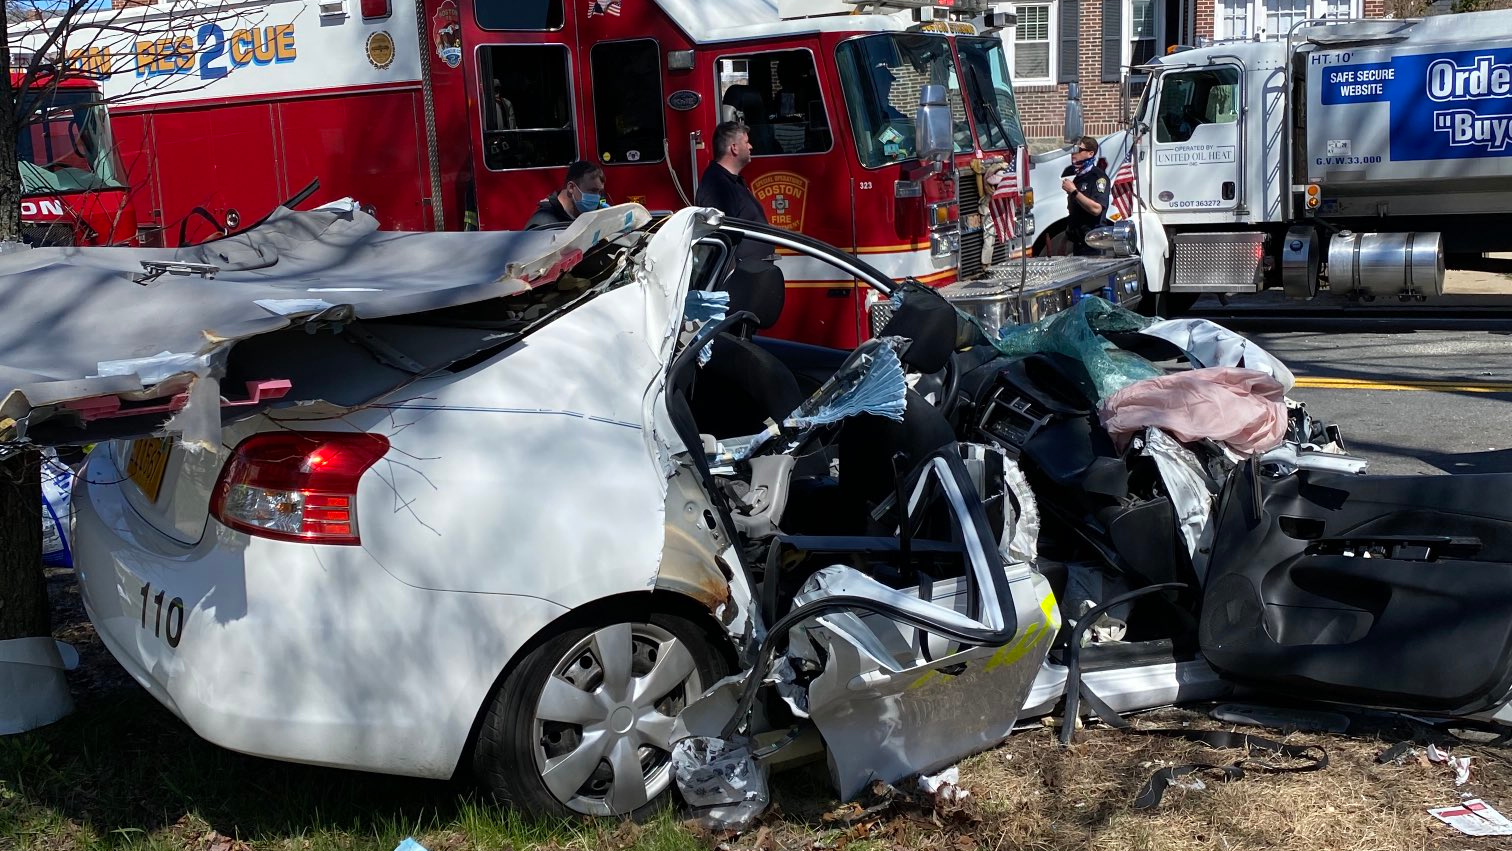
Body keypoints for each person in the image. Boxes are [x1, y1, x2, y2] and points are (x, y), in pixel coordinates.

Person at [696, 121, 766, 224]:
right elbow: (722, 234)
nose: (750, 146)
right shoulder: (717, 187)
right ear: (734, 148)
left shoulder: (732, 181)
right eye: (746, 142)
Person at [1061, 136, 1110, 256]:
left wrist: (1074, 192)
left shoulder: (1098, 178)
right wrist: (1065, 238)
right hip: (1078, 243)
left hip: (1093, 244)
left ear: (1090, 153)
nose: (1073, 154)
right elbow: (1075, 213)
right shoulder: (1079, 178)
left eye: (1078, 149)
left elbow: (1096, 209)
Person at [524, 161, 607, 229]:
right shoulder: (544, 223)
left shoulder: (586, 214)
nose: (597, 197)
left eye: (600, 192)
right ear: (571, 187)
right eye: (592, 191)